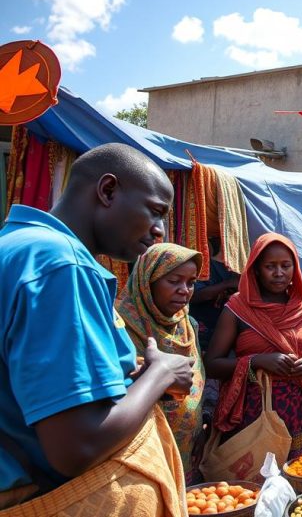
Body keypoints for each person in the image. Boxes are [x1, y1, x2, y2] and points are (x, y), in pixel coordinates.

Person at [0, 143, 193, 514]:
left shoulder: (18, 247)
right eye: (155, 212)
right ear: (107, 191)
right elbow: (77, 447)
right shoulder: (62, 265)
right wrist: (161, 373)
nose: (159, 231)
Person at [206, 233, 302, 460]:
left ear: (295, 268)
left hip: (298, 409)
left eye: (285, 265)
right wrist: (257, 361)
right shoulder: (237, 308)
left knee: (300, 476)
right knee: (255, 482)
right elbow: (212, 365)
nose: (279, 273)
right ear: (256, 269)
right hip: (253, 410)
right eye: (270, 266)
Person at [117, 243, 206, 483]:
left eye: (191, 282)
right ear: (148, 281)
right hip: (142, 452)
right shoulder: (120, 326)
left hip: (188, 448)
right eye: (174, 281)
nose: (184, 290)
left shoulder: (188, 325)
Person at [189, 237, 241, 351]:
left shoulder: (239, 270)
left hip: (226, 336)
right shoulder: (205, 266)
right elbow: (195, 295)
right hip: (202, 332)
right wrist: (227, 284)